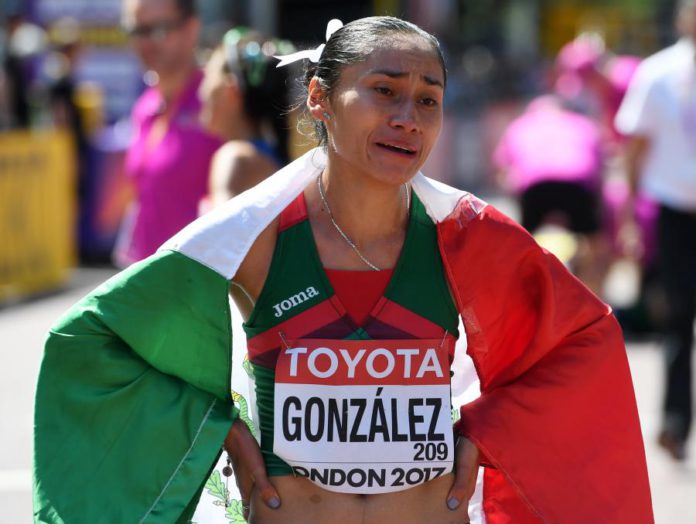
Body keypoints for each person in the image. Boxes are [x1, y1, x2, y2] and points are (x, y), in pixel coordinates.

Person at [33, 16, 652, 524]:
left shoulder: (465, 239)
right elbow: (93, 338)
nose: (408, 117)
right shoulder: (255, 241)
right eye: (384, 90)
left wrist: (488, 430)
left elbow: (583, 340)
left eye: (428, 99)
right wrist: (215, 429)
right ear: (319, 98)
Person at [615, 0, 696, 461]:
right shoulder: (658, 73)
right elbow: (634, 150)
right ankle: (675, 423)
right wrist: (628, 218)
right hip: (676, 213)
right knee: (678, 319)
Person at [114, 0, 223, 266]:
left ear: (191, 29)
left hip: (201, 279)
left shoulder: (218, 102)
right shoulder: (145, 106)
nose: (146, 43)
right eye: (137, 31)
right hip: (148, 279)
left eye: (160, 30)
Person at [492, 93, 608, 293]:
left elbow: (502, 173)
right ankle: (593, 294)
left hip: (534, 186)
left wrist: (519, 197)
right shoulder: (583, 124)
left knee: (525, 245)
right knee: (593, 245)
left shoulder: (520, 125)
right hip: (578, 183)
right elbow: (600, 170)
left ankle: (529, 293)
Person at [198, 27, 291, 209]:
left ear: (231, 91)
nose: (202, 90)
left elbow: (224, 227)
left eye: (208, 75)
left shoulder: (235, 158)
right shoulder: (264, 158)